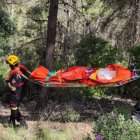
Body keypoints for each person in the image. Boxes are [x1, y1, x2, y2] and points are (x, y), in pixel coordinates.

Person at [5, 54, 30, 127]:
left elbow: (12, 86)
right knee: (14, 108)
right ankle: (11, 123)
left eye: (9, 64)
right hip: (21, 93)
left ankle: (22, 120)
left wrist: (9, 85)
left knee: (13, 107)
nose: (9, 65)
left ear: (12, 65)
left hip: (16, 94)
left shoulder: (15, 73)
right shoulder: (21, 69)